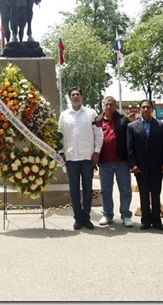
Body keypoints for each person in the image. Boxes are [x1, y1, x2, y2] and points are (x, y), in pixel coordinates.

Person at [59, 87, 103, 230]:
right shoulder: (64, 115)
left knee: (88, 189)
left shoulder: (91, 113)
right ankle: (78, 218)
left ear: (82, 97)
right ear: (69, 98)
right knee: (74, 190)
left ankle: (86, 217)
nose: (76, 96)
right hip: (71, 158)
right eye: (73, 95)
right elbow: (59, 136)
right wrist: (61, 152)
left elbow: (99, 134)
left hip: (87, 157)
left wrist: (96, 152)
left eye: (78, 94)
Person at [127, 100, 163, 230]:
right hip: (140, 167)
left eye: (148, 107)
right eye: (143, 107)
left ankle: (156, 220)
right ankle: (145, 220)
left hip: (157, 167)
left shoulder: (161, 125)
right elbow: (130, 148)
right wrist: (133, 165)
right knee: (144, 194)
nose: (145, 109)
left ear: (152, 109)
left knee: (156, 194)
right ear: (140, 110)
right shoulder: (132, 127)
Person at [97, 97, 133, 227]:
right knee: (105, 190)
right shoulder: (97, 121)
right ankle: (107, 214)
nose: (108, 107)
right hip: (104, 162)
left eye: (111, 105)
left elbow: (130, 140)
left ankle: (125, 215)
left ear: (116, 106)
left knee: (125, 190)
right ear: (103, 106)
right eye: (106, 105)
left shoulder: (124, 120)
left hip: (121, 161)